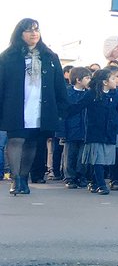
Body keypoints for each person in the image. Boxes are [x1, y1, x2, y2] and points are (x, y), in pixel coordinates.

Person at [0, 18, 69, 195]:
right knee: (16, 140)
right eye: (29, 30)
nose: (34, 33)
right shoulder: (8, 57)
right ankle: (15, 179)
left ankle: (24, 178)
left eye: (36, 30)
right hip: (15, 106)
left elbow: (59, 85)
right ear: (20, 34)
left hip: (40, 106)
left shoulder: (49, 56)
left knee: (32, 141)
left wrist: (62, 107)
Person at [75, 66, 118, 195]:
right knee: (98, 159)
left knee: (105, 159)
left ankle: (94, 182)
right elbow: (77, 107)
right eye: (113, 78)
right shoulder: (92, 94)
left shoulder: (116, 95)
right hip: (95, 133)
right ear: (105, 82)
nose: (117, 81)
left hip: (110, 132)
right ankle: (101, 184)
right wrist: (60, 115)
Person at [62, 66, 92, 189]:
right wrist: (62, 132)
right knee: (70, 155)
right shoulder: (68, 93)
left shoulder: (90, 94)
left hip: (85, 130)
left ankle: (81, 176)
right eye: (87, 78)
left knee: (83, 156)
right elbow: (63, 114)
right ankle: (69, 177)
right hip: (71, 129)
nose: (89, 80)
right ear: (78, 80)